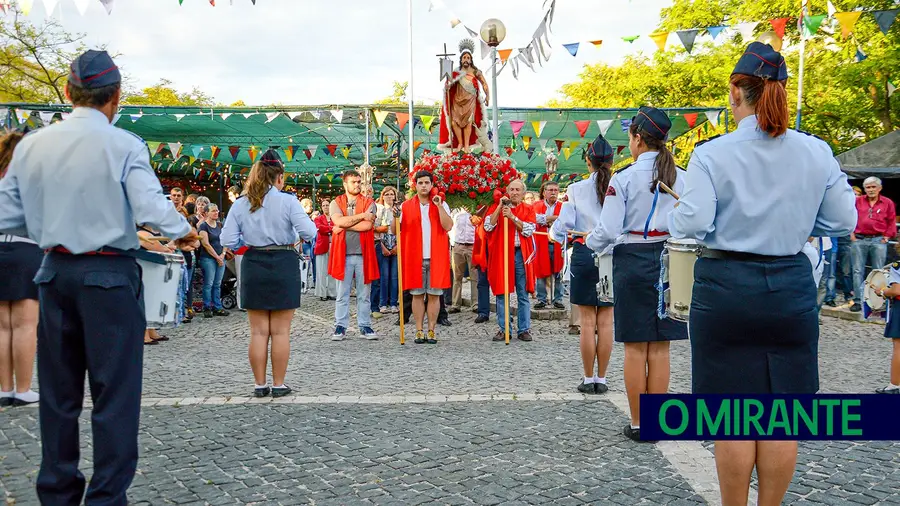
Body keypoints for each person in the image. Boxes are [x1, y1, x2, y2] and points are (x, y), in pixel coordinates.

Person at [0, 50, 195, 504]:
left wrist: (53, 227)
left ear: (68, 93)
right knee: (115, 395)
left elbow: (7, 214)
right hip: (108, 273)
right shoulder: (124, 144)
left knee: (58, 394)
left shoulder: (31, 145)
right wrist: (184, 231)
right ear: (117, 97)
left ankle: (57, 492)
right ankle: (107, 497)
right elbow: (149, 208)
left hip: (53, 272)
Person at [668, 42, 857, 506]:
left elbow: (690, 225)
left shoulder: (713, 154)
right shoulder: (816, 151)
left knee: (733, 415)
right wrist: (793, 221)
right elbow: (843, 222)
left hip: (726, 286)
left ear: (737, 91)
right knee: (781, 414)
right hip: (789, 285)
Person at [586, 106, 687, 442]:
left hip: (632, 258)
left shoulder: (624, 178)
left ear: (638, 139)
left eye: (630, 136)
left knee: (634, 347)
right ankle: (656, 423)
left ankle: (639, 422)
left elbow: (609, 229)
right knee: (660, 348)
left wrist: (589, 240)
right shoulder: (682, 175)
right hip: (670, 259)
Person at [222, 149, 317, 398]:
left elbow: (228, 239)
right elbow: (310, 232)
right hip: (283, 262)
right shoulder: (288, 201)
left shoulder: (242, 203)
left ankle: (259, 384)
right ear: (279, 177)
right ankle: (278, 383)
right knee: (281, 331)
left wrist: (250, 235)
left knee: (258, 331)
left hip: (254, 262)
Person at [551, 134, 615, 395]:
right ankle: (602, 377)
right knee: (607, 322)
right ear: (611, 161)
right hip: (612, 254)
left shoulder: (575, 189)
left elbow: (562, 227)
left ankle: (588, 379)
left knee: (587, 322)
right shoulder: (619, 185)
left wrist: (554, 233)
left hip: (584, 253)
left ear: (588, 162)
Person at [0, 131, 40, 407]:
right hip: (26, 249)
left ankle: (4, 388)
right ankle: (23, 389)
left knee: (2, 326)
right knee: (25, 324)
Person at [397, 171, 453, 343]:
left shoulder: (440, 204)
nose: (423, 186)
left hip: (436, 256)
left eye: (426, 183)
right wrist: (394, 217)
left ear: (431, 185)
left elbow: (448, 225)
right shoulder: (405, 206)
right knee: (417, 294)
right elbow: (395, 230)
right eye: (420, 183)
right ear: (415, 185)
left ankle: (431, 330)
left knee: (435, 295)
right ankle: (419, 329)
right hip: (415, 256)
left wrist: (439, 206)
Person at [329, 169, 380, 340]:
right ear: (345, 184)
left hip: (363, 254)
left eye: (359, 182)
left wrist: (344, 225)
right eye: (354, 182)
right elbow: (338, 221)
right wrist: (361, 216)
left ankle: (364, 325)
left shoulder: (369, 202)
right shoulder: (336, 202)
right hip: (342, 254)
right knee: (342, 293)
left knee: (364, 294)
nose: (358, 185)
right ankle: (340, 326)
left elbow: (367, 226)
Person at [483, 180, 537, 342]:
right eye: (511, 189)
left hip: (520, 253)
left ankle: (524, 329)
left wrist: (512, 217)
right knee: (502, 292)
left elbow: (528, 230)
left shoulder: (528, 209)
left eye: (517, 190)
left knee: (522, 292)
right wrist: (500, 208)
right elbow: (488, 226)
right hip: (502, 254)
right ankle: (503, 328)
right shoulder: (496, 208)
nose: (514, 192)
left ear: (522, 193)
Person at [849, 176, 896, 312]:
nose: (871, 190)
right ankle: (858, 300)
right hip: (859, 239)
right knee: (857, 270)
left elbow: (891, 220)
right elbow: (850, 216)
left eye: (873, 187)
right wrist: (851, 234)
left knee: (878, 271)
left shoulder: (887, 203)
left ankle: (878, 302)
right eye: (868, 187)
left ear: (880, 188)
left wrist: (887, 237)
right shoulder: (857, 201)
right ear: (864, 189)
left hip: (878, 239)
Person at [437, 38, 491, 153]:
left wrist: (487, 96)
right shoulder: (456, 72)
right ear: (461, 60)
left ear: (471, 60)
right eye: (464, 58)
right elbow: (448, 85)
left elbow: (485, 84)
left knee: (468, 123)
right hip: (457, 100)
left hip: (470, 100)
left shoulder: (476, 72)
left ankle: (466, 145)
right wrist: (447, 86)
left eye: (468, 58)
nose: (466, 59)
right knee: (453, 122)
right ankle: (460, 143)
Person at [534, 181, 565, 310]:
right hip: (542, 243)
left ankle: (558, 299)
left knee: (558, 272)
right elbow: (534, 218)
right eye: (550, 190)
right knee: (541, 271)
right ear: (544, 192)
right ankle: (541, 299)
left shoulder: (564, 206)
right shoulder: (536, 205)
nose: (553, 192)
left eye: (556, 190)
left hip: (558, 244)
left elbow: (565, 221)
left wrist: (546, 219)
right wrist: (555, 218)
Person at [872, 259, 900, 395]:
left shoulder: (897, 266)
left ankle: (894, 386)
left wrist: (883, 291)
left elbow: (896, 290)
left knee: (898, 347)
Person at [198, 203, 230, 318]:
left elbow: (225, 240)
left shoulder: (220, 225)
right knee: (209, 283)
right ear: (206, 213)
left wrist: (223, 254)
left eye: (217, 210)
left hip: (221, 257)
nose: (216, 212)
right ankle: (207, 306)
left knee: (217, 283)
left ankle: (217, 306)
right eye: (213, 211)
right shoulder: (203, 227)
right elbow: (205, 244)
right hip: (208, 258)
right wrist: (217, 257)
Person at [375, 187, 400, 313]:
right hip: (383, 243)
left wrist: (397, 246)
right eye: (387, 194)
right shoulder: (379, 210)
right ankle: (383, 302)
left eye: (392, 194)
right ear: (383, 196)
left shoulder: (398, 210)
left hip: (396, 243)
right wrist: (382, 246)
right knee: (384, 276)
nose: (390, 197)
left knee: (395, 276)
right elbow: (375, 228)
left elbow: (402, 229)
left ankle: (393, 302)